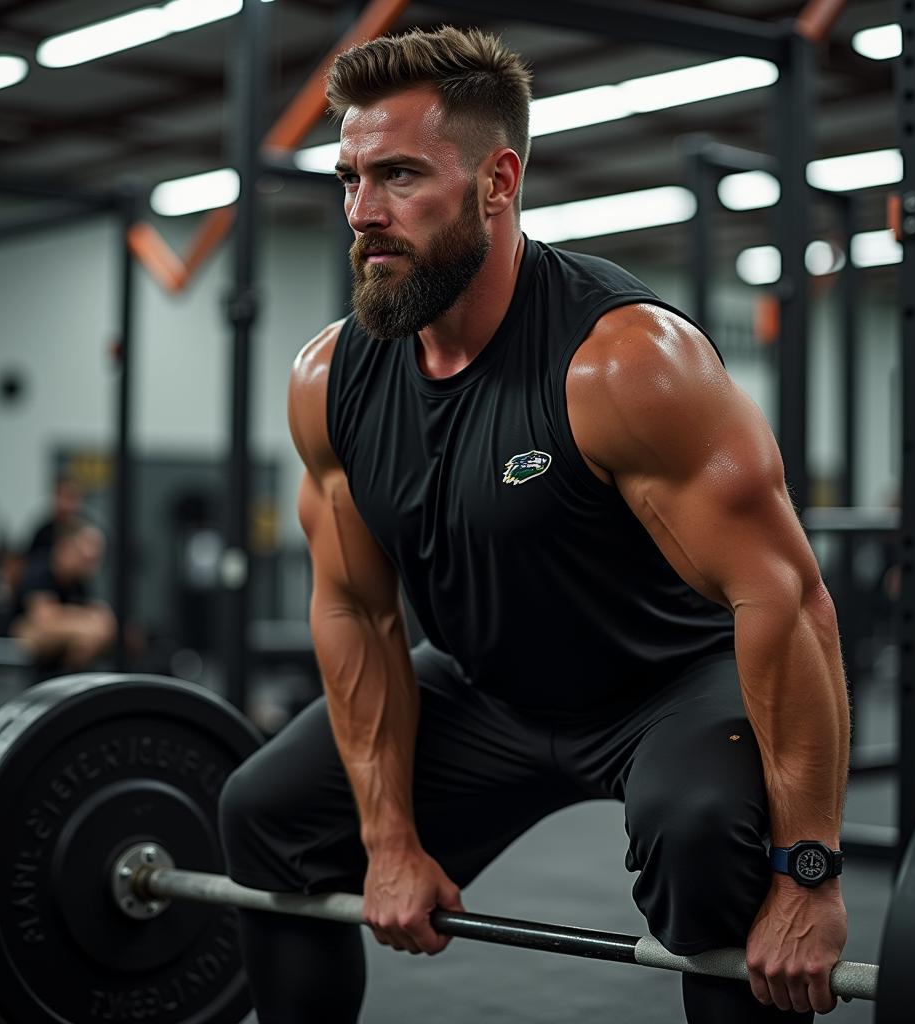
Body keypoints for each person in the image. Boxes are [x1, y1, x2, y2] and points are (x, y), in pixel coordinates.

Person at [219, 26, 849, 1024]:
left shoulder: (622, 364)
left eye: (396, 177)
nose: (361, 213)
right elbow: (355, 612)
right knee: (268, 816)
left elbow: (786, 598)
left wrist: (807, 873)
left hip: (667, 684)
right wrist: (386, 841)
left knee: (701, 840)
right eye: (348, 179)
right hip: (485, 683)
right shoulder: (329, 379)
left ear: (496, 181)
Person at [9, 518, 116, 671]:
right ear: (66, 548)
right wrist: (87, 621)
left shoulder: (78, 582)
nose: (91, 565)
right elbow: (43, 619)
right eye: (85, 557)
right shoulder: (40, 570)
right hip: (25, 639)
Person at [27, 472, 85, 557]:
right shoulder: (43, 534)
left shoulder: (90, 532)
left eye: (70, 497)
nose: (65, 504)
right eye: (62, 496)